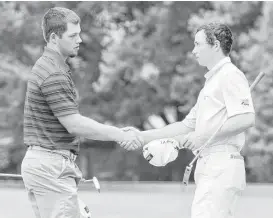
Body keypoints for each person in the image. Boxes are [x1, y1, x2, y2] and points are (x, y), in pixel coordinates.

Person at [21, 7, 143, 218]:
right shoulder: (53, 73)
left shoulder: (50, 66)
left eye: (79, 34)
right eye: (73, 35)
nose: (80, 40)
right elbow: (74, 124)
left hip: (45, 165)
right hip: (51, 167)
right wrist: (119, 134)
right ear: (53, 38)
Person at [126, 23, 255, 218]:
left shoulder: (230, 75)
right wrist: (141, 136)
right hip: (209, 166)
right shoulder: (211, 83)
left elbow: (246, 118)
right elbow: (185, 126)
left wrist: (201, 136)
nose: (193, 51)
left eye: (198, 44)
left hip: (221, 164)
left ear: (216, 45)